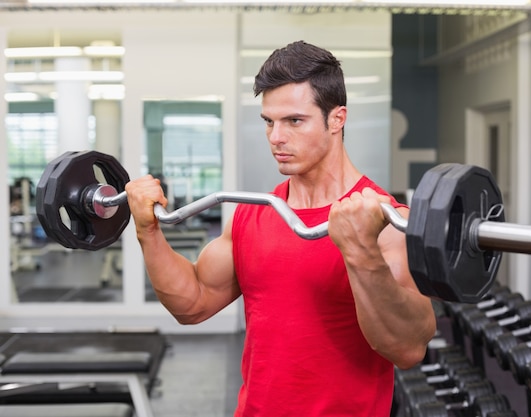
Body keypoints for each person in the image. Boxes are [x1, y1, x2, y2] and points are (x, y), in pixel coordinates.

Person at [125, 40, 436, 416]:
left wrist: (361, 251)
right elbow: (193, 303)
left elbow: (407, 348)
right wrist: (148, 233)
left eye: (294, 121)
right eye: (269, 121)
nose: (276, 137)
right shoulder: (255, 214)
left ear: (337, 119)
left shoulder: (385, 221)